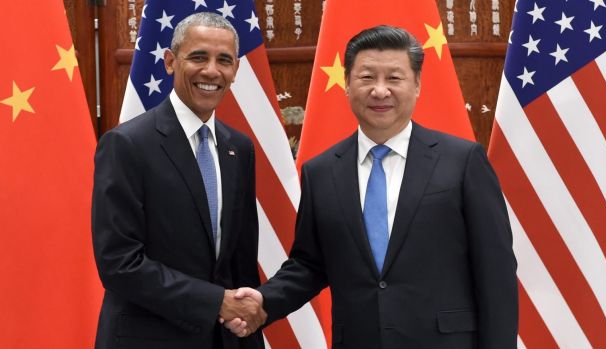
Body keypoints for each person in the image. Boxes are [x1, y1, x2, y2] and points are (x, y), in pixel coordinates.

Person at [227, 25, 518, 348]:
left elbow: (496, 274)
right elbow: (310, 264)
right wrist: (263, 302)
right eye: (367, 77)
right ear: (347, 84)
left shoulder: (463, 161)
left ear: (417, 84)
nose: (380, 91)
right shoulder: (321, 172)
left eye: (394, 78)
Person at [92, 12, 265, 349]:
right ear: (170, 62)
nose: (212, 71)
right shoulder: (126, 145)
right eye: (198, 56)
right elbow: (119, 263)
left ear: (236, 70)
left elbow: (241, 262)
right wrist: (216, 302)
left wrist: (247, 327)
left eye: (224, 60)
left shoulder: (239, 148)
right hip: (147, 339)